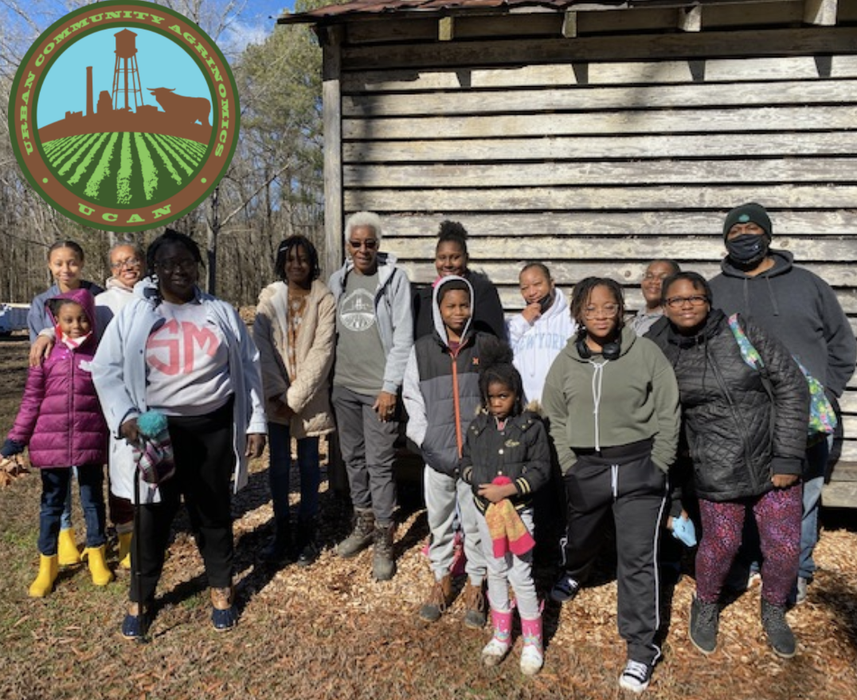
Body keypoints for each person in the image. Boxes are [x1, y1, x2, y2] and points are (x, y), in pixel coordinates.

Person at [91, 229, 267, 638]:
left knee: (213, 511)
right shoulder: (136, 315)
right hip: (156, 432)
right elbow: (105, 369)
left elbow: (249, 366)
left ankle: (221, 589)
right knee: (152, 516)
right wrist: (125, 417)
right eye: (168, 263)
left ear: (197, 265)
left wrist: (255, 422)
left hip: (213, 429)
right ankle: (141, 596)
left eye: (185, 261)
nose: (178, 270)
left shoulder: (219, 312)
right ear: (154, 269)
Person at [651, 271, 809, 658]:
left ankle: (773, 609)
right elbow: (658, 419)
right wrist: (672, 492)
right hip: (715, 466)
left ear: (708, 299)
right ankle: (706, 603)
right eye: (676, 299)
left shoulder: (742, 330)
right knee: (721, 545)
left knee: (786, 548)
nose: (686, 305)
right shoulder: (658, 349)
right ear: (665, 305)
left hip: (773, 461)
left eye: (695, 297)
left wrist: (788, 454)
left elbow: (791, 384)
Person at [709, 203, 857, 603]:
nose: (744, 238)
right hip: (742, 417)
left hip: (804, 416)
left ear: (769, 235)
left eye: (753, 230)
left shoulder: (809, 284)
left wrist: (826, 392)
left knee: (803, 494)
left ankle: (796, 570)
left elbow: (842, 344)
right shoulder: (715, 290)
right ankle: (751, 564)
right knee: (745, 491)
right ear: (725, 241)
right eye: (735, 235)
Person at [541, 277, 680, 694]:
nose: (600, 315)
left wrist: (660, 462)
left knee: (637, 560)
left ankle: (641, 649)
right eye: (591, 309)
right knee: (580, 536)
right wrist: (569, 464)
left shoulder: (646, 352)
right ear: (578, 315)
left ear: (621, 310)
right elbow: (555, 413)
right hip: (588, 468)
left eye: (608, 307)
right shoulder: (567, 360)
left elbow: (668, 408)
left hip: (640, 467)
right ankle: (575, 570)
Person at [1, 289, 113, 596]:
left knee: (93, 501)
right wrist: (15, 439)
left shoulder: (100, 355)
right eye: (68, 320)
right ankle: (47, 564)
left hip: (89, 442)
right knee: (51, 504)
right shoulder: (45, 355)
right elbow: (31, 401)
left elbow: (111, 399)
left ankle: (97, 555)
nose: (76, 325)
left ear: (91, 320)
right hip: (50, 443)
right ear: (57, 322)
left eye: (82, 319)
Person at [329, 211, 413, 581]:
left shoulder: (394, 279)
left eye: (370, 243)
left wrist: (389, 387)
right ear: (348, 244)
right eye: (356, 242)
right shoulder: (338, 280)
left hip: (378, 390)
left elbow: (403, 336)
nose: (363, 249)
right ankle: (362, 522)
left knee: (380, 464)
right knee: (353, 458)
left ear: (379, 245)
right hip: (344, 386)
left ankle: (384, 536)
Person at [402, 276, 490, 629]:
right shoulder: (422, 350)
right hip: (437, 456)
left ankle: (476, 584)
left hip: (475, 459)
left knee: (475, 523)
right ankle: (441, 579)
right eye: (450, 306)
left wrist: (484, 445)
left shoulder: (485, 346)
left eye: (463, 305)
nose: (458, 312)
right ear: (439, 309)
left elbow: (497, 395)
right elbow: (412, 398)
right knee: (438, 522)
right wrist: (426, 441)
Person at [460, 344, 551, 675]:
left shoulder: (530, 427)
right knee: (495, 568)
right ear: (484, 397)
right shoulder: (477, 428)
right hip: (486, 511)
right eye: (492, 397)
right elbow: (465, 463)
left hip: (518, 511)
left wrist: (509, 489)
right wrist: (482, 484)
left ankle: (531, 639)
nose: (498, 403)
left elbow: (541, 470)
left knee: (520, 573)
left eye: (505, 396)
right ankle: (501, 633)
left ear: (517, 394)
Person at [254, 235, 335, 566]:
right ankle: (281, 530)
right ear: (282, 263)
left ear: (311, 262)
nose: (296, 265)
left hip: (309, 398)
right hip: (275, 399)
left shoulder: (324, 298)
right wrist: (277, 392)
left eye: (302, 259)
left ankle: (306, 531)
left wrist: (296, 397)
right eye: (290, 259)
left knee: (308, 465)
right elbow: (260, 343)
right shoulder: (269, 297)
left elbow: (323, 351)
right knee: (278, 467)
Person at [27, 240, 105, 568]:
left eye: (72, 262)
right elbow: (40, 353)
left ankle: (100, 545)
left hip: (89, 395)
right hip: (58, 399)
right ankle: (65, 534)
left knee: (88, 478)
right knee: (57, 480)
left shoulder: (98, 295)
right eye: (58, 263)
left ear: (82, 263)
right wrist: (46, 332)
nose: (65, 269)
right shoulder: (40, 302)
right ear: (49, 266)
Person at [96, 242, 146, 570]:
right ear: (111, 270)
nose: (126, 267)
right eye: (118, 263)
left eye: (131, 260)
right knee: (119, 468)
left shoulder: (157, 294)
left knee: (153, 464)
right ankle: (125, 531)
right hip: (114, 399)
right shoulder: (101, 304)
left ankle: (152, 527)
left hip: (154, 397)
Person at [412, 221, 506, 341]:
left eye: (455, 257)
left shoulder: (482, 291)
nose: (447, 264)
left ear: (466, 258)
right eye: (442, 258)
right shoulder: (424, 297)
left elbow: (492, 337)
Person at [507, 262, 577, 405]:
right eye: (525, 288)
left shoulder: (572, 319)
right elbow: (503, 351)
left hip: (562, 410)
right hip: (527, 413)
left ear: (552, 283)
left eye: (537, 284)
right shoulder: (516, 324)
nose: (532, 292)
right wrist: (523, 321)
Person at [631, 260, 681, 337]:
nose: (654, 281)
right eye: (649, 276)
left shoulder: (672, 324)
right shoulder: (632, 320)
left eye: (663, 278)